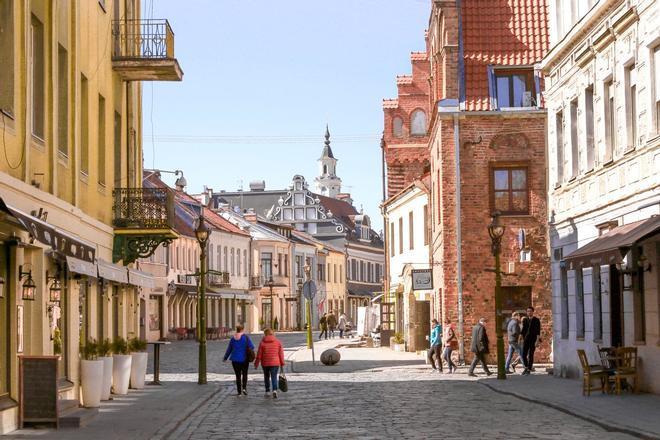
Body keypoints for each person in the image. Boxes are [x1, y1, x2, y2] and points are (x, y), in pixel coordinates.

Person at [223, 324, 255, 396]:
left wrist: (225, 357)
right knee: (244, 374)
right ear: (242, 329)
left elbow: (229, 349)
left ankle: (239, 391)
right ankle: (244, 388)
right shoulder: (246, 338)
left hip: (235, 360)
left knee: (238, 376)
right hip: (244, 359)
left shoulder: (232, 339)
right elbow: (252, 347)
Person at [254, 328, 285, 398]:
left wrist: (256, 364)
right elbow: (281, 354)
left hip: (265, 363)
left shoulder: (262, 342)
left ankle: (267, 391)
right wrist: (282, 363)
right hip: (275, 363)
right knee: (274, 377)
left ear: (265, 334)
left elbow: (259, 355)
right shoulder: (277, 342)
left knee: (266, 377)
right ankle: (274, 390)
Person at [521, 306, 541, 375]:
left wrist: (537, 341)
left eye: (530, 311)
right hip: (526, 339)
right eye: (528, 311)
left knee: (531, 355)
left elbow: (538, 331)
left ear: (533, 312)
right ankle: (526, 367)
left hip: (533, 339)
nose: (529, 312)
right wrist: (520, 338)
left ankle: (529, 369)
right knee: (523, 354)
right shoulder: (525, 320)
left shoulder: (536, 320)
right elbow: (523, 330)